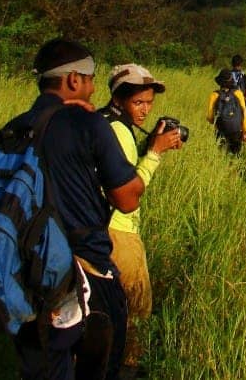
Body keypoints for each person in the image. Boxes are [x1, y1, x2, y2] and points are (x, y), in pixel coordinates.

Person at [14, 38, 144, 380]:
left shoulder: (15, 127)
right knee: (102, 366)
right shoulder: (88, 124)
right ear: (74, 80)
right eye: (90, 80)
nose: (91, 90)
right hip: (86, 269)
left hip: (28, 275)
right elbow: (128, 199)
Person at [99, 64, 182, 379]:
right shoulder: (119, 130)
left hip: (94, 231)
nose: (146, 109)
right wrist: (155, 154)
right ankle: (127, 369)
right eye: (138, 102)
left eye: (149, 102)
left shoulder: (101, 121)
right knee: (136, 309)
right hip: (119, 231)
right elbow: (127, 193)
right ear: (118, 98)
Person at [207, 68, 246, 154]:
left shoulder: (214, 95)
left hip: (221, 131)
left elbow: (210, 118)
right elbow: (243, 114)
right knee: (236, 156)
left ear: (219, 82)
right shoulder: (238, 93)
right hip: (236, 131)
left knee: (221, 155)